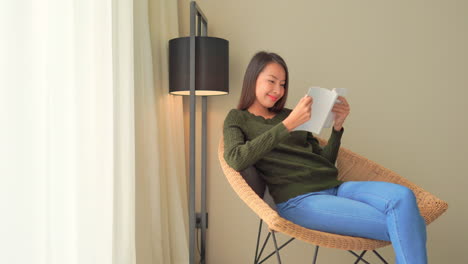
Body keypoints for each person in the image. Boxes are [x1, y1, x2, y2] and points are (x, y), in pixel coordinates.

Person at [223, 51, 427, 264]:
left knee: (403, 197)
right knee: (411, 224)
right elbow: (236, 158)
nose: (278, 90)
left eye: (283, 84)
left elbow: (326, 162)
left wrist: (337, 128)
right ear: (253, 78)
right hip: (299, 201)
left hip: (336, 188)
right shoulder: (238, 118)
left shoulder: (291, 115)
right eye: (271, 81)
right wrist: (288, 125)